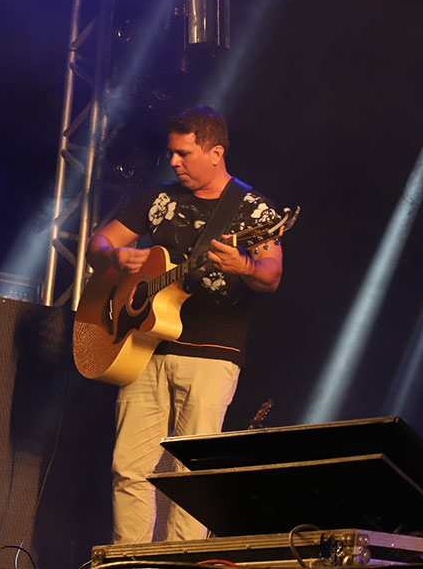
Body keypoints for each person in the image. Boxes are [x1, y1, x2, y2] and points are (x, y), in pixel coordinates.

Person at [86, 106, 283, 543]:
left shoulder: (252, 208)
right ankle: (130, 561)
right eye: (171, 153)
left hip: (211, 352)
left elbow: (271, 273)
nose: (173, 162)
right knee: (129, 468)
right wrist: (113, 258)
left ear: (215, 152)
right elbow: (100, 242)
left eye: (183, 154)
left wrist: (244, 264)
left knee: (190, 476)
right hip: (143, 349)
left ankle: (181, 560)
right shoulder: (159, 198)